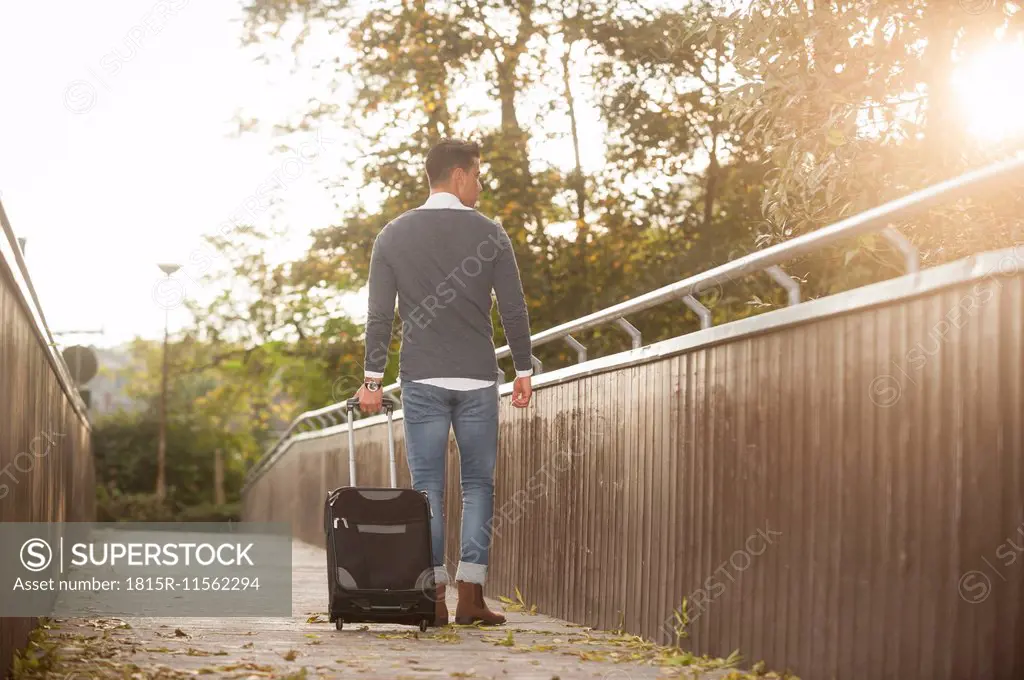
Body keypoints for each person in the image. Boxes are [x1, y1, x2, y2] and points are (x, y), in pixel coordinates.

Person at [355, 138, 534, 626]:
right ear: (458, 175)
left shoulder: (392, 234)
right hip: (477, 378)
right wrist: (523, 369)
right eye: (477, 175)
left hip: (422, 379)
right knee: (478, 485)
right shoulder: (491, 233)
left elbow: (380, 316)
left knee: (427, 488)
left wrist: (372, 380)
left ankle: (432, 597)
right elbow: (513, 308)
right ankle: (471, 598)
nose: (479, 184)